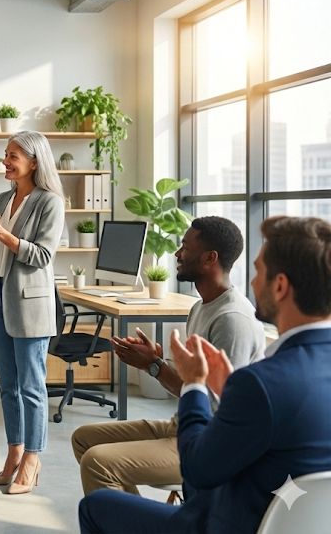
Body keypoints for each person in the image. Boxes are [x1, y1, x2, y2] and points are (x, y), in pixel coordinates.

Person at [79, 215, 331, 534]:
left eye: (258, 272)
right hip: (291, 517)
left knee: (94, 505)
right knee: (87, 442)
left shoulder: (258, 368)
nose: (252, 283)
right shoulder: (287, 371)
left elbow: (198, 469)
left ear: (280, 286)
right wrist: (219, 386)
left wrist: (197, 383)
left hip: (228, 519)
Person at [71, 216, 265, 496]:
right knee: (84, 439)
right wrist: (155, 364)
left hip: (210, 442)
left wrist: (155, 366)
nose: (177, 253)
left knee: (97, 462)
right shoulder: (201, 307)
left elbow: (215, 407)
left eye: (185, 247)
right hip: (182, 425)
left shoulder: (231, 319)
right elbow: (192, 389)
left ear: (210, 257)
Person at [0, 130, 64, 494]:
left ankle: (32, 459)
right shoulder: (1, 197)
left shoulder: (49, 202)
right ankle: (13, 454)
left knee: (30, 387)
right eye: (5, 155)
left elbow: (42, 256)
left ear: (34, 162)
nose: (5, 162)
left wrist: (3, 234)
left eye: (13, 156)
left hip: (29, 304)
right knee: (7, 387)